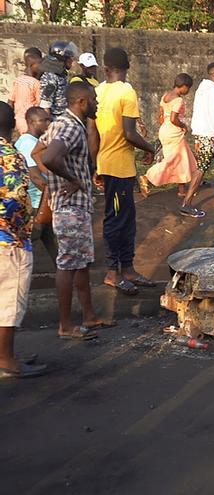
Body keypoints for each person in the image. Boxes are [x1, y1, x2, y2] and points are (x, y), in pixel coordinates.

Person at [33, 82, 114, 340]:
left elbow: (37, 152)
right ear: (81, 102)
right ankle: (65, 325)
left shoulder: (62, 123)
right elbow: (48, 158)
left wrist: (52, 182)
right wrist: (73, 180)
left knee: (80, 263)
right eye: (93, 100)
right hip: (70, 208)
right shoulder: (69, 126)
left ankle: (89, 317)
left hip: (73, 206)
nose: (97, 104)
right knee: (68, 264)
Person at [94, 48, 156, 295]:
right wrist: (150, 147)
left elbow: (93, 133)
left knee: (127, 219)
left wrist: (94, 164)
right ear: (127, 67)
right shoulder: (126, 91)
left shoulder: (98, 91)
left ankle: (128, 269)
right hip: (118, 167)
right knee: (117, 220)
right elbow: (129, 133)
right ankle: (112, 273)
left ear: (106, 68)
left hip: (108, 164)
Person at [0, 101, 49, 378]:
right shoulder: (11, 154)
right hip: (9, 240)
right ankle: (6, 359)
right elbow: (17, 199)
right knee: (8, 302)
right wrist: (22, 229)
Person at [181, 62, 214, 217]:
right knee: (201, 168)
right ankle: (187, 203)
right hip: (209, 135)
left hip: (202, 134)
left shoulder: (201, 90)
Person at [15, 107, 56, 262]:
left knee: (52, 240)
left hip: (41, 200)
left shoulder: (32, 142)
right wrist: (55, 193)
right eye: (43, 120)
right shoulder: (27, 143)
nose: (47, 123)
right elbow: (35, 176)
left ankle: (68, 273)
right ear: (31, 122)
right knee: (29, 240)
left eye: (48, 119)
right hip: (36, 203)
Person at [145, 74, 196, 197]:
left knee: (180, 160)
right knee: (173, 160)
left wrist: (166, 128)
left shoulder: (165, 96)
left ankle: (182, 190)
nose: (188, 91)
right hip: (174, 132)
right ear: (183, 86)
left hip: (165, 130)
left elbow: (161, 116)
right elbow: (174, 119)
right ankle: (147, 177)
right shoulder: (178, 100)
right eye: (188, 88)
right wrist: (183, 126)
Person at [8, 47, 42, 136]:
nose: (41, 68)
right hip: (31, 121)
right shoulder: (36, 83)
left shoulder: (18, 80)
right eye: (39, 65)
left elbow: (10, 101)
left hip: (18, 121)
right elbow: (39, 104)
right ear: (31, 65)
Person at [39, 41, 77, 119]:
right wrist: (49, 126)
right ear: (62, 59)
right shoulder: (51, 78)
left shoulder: (62, 74)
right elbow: (45, 104)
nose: (71, 60)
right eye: (69, 58)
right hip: (56, 119)